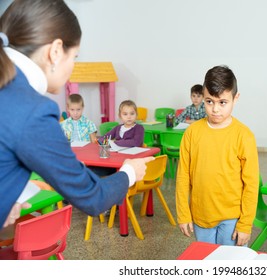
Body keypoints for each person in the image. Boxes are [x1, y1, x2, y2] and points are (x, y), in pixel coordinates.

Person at [0, 0, 153, 229]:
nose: (72, 67)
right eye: (75, 57)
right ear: (55, 51)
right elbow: (92, 197)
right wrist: (130, 172)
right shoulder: (33, 110)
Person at [176, 65, 259, 246]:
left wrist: (245, 224)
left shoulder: (244, 135)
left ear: (235, 98)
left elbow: (251, 184)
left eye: (222, 102)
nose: (215, 109)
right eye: (209, 101)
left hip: (232, 218)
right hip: (201, 216)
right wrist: (183, 213)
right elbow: (183, 176)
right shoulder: (192, 133)